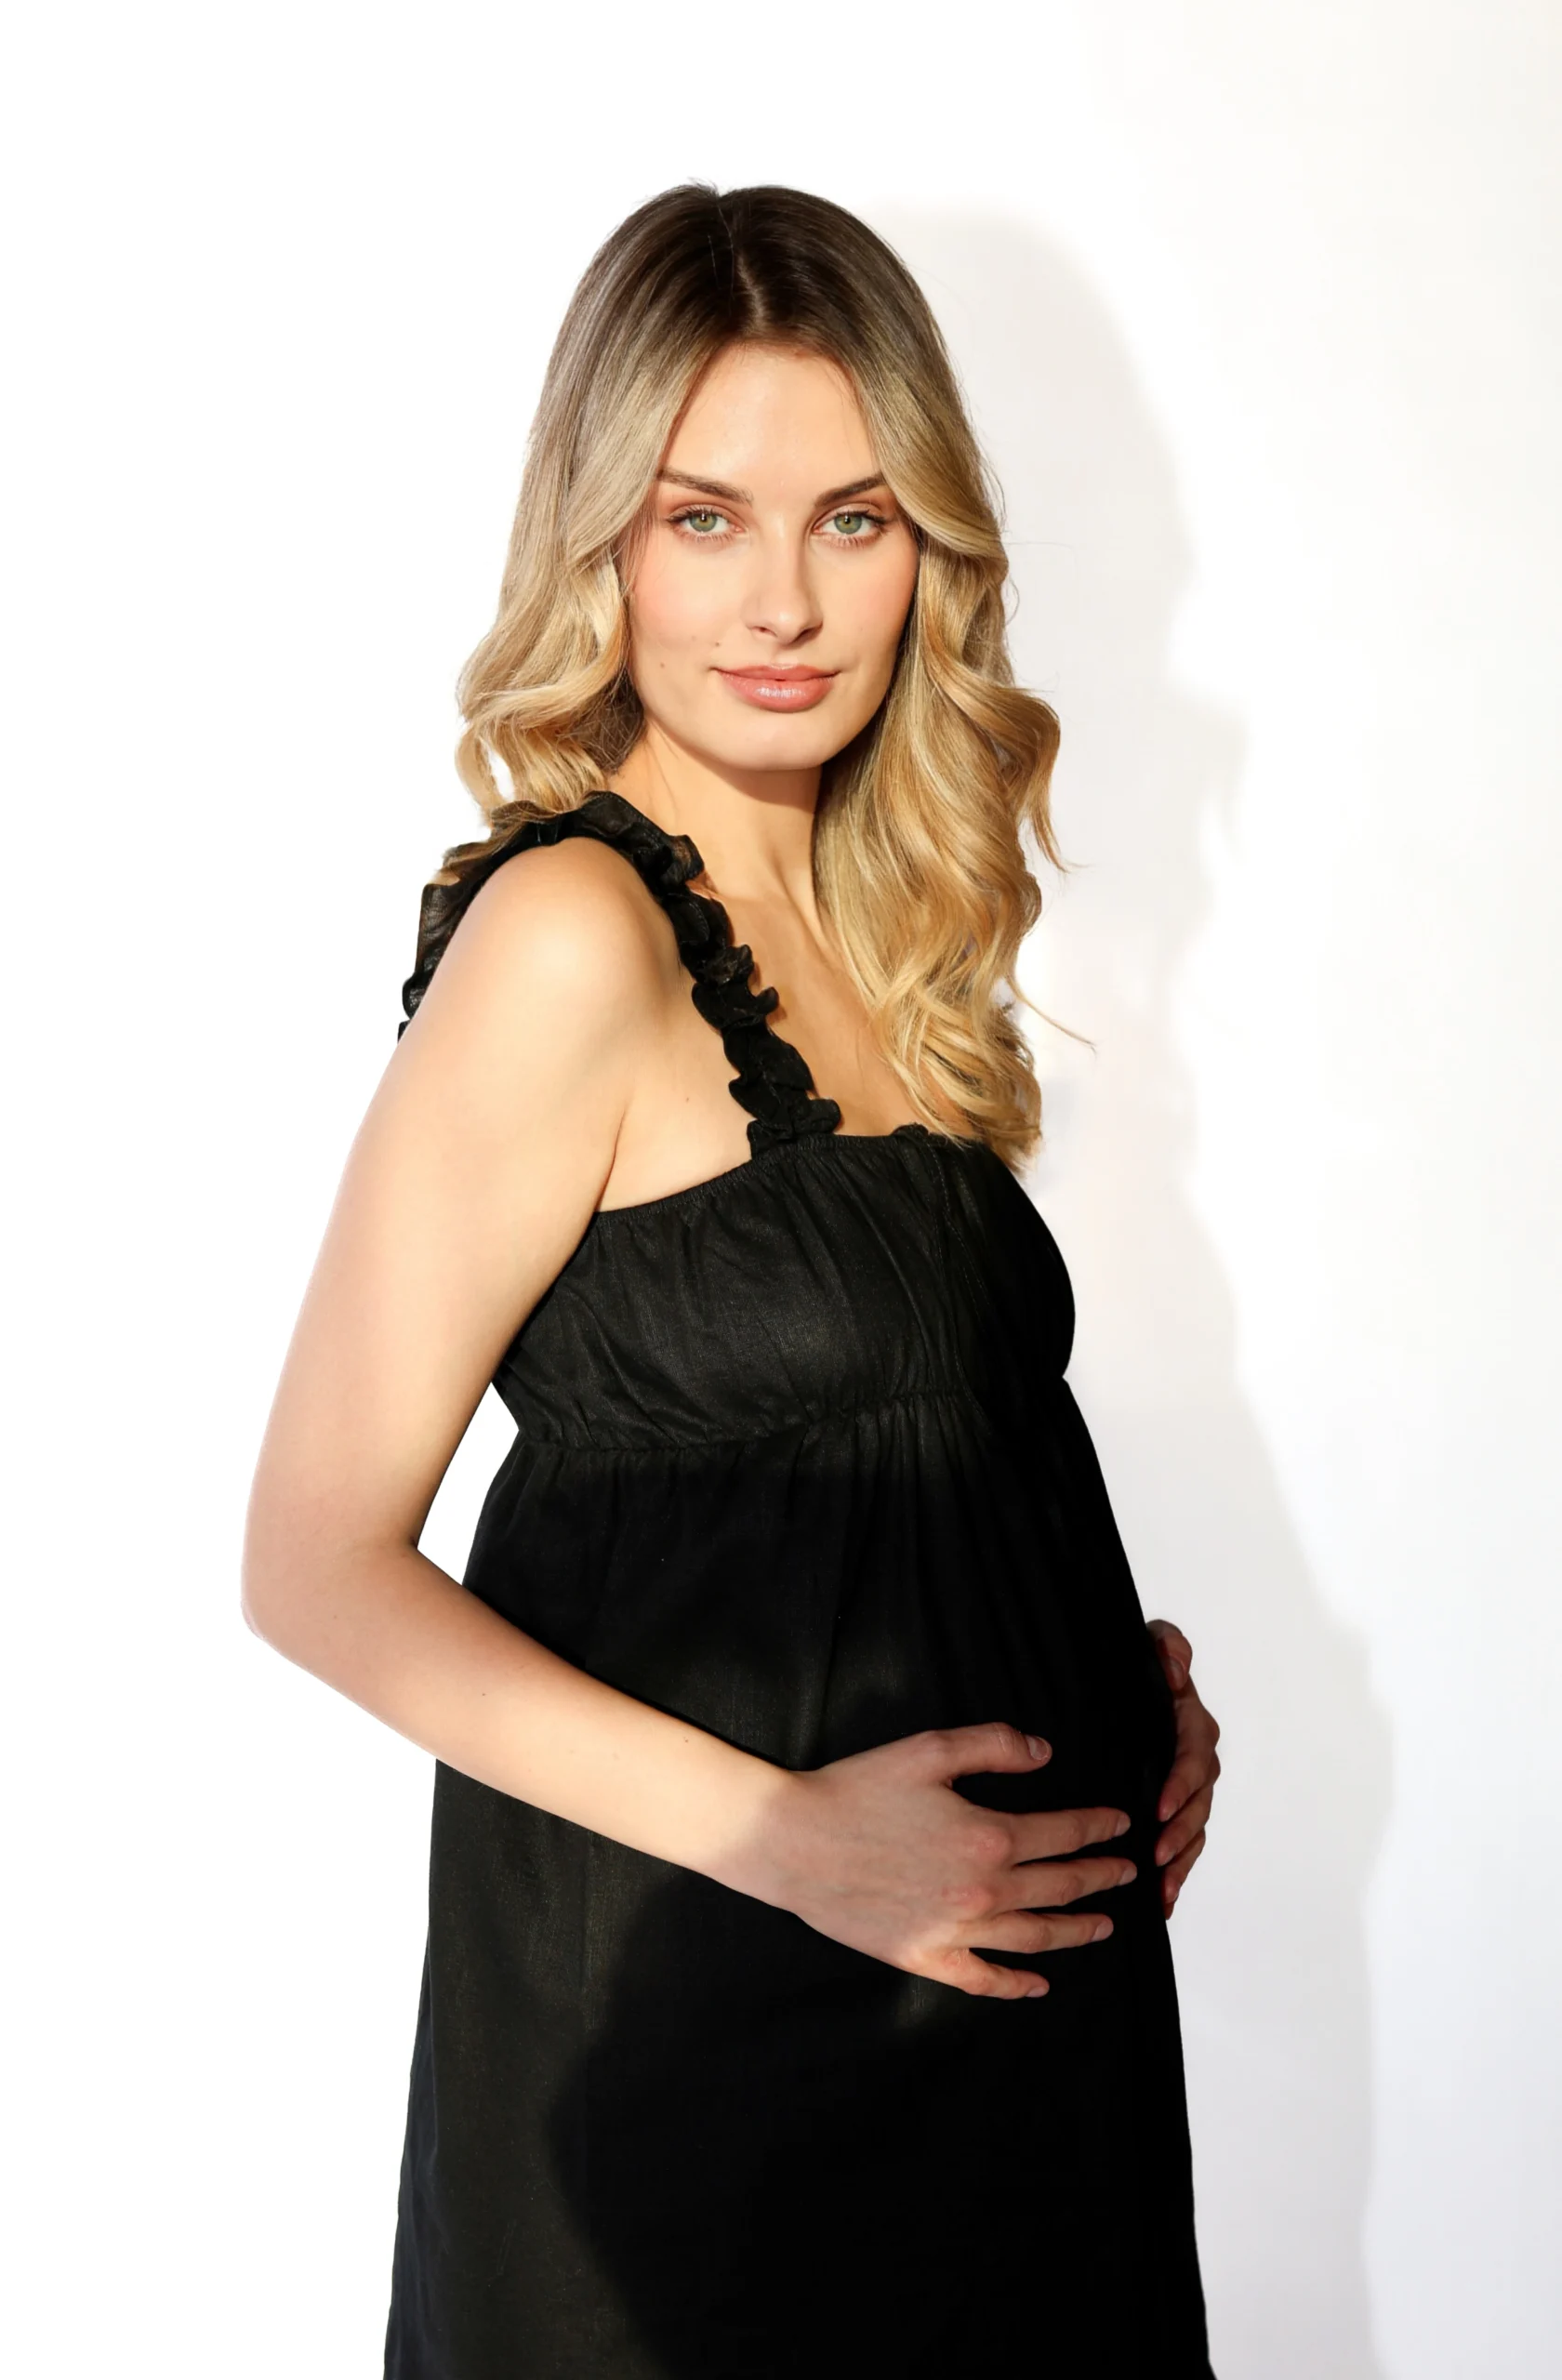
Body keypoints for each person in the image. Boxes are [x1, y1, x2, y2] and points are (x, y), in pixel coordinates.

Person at [243, 182, 1223, 2379]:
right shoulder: (571, 933)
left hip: (991, 2052)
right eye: (706, 518)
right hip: (712, 2071)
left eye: (851, 519)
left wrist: (1114, 1680)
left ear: (927, 549)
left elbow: (877, 1469)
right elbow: (310, 1562)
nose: (782, 599)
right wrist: (792, 1839)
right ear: (602, 542)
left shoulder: (889, 937)